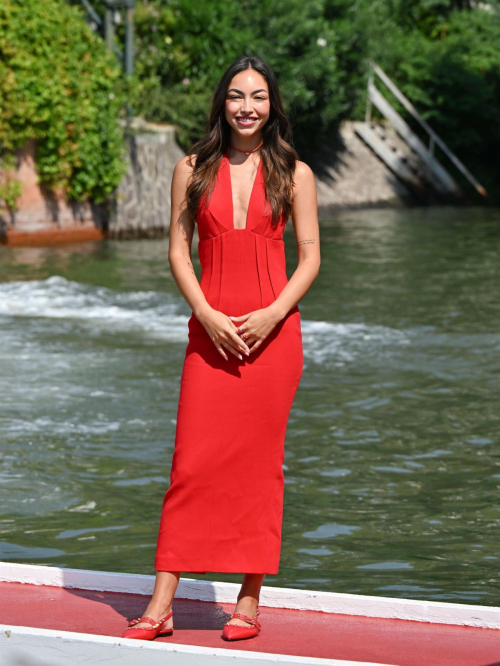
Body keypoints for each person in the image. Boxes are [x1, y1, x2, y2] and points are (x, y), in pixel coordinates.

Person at [122, 54, 320, 643]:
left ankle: (249, 598)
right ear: (221, 102)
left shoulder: (295, 173)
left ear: (272, 104)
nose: (247, 107)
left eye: (258, 96)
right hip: (208, 335)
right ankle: (161, 602)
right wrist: (204, 313)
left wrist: (273, 313)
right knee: (191, 464)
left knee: (261, 467)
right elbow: (179, 252)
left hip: (273, 336)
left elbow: (310, 258)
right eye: (237, 95)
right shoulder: (191, 169)